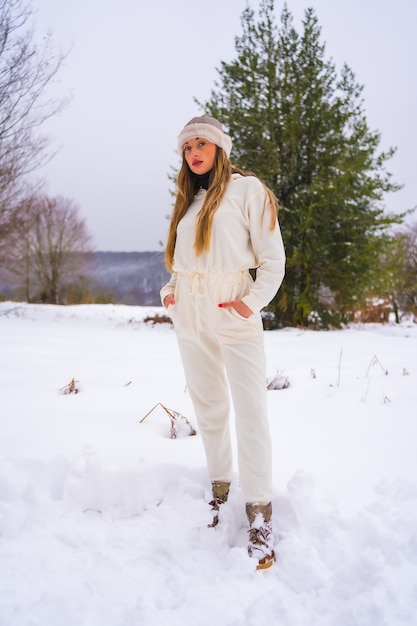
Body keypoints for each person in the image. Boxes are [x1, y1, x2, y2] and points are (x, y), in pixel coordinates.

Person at [160, 115, 285, 570]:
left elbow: (273, 262)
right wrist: (172, 292)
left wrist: (250, 304)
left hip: (232, 307)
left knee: (251, 409)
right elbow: (184, 261)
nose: (193, 152)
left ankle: (259, 511)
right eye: (186, 147)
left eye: (201, 144)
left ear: (218, 148)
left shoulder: (249, 190)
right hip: (191, 312)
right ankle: (219, 488)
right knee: (209, 404)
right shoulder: (189, 202)